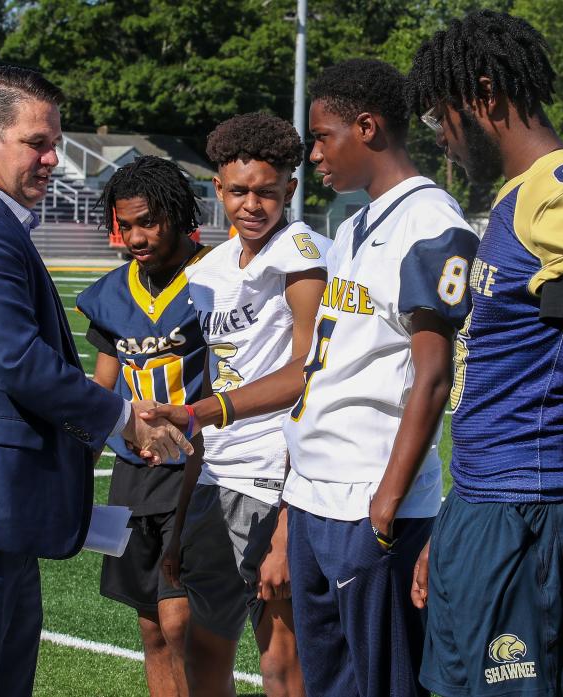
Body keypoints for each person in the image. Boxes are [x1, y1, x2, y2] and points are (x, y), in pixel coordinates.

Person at [0, 65, 192, 697]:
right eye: (38, 143)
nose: (54, 159)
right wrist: (121, 417)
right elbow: (18, 359)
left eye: (54, 142)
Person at [406, 10, 563, 696]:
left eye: (439, 120)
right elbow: (504, 378)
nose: (443, 142)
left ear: (483, 95)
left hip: (532, 516)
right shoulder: (518, 200)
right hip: (485, 510)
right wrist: (455, 524)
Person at [281, 59, 479, 697]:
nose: (313, 153)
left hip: (368, 501)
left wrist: (387, 503)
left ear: (366, 127)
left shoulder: (431, 221)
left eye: (322, 136)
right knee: (329, 684)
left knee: (386, 683)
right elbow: (325, 363)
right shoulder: (356, 221)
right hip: (316, 496)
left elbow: (432, 377)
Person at [158, 112, 328, 697]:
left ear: (291, 188)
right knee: (203, 642)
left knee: (283, 658)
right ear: (217, 189)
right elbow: (210, 378)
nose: (251, 204)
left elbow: (310, 372)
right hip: (215, 476)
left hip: (273, 476)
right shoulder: (207, 271)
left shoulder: (303, 255)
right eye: (237, 191)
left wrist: (211, 412)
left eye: (266, 190)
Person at [76, 155, 210, 697]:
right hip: (133, 472)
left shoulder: (216, 278)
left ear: (177, 215)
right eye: (125, 224)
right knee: (151, 627)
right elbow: (102, 387)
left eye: (148, 222)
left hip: (198, 467)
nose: (135, 236)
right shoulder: (111, 292)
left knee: (182, 622)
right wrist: (78, 463)